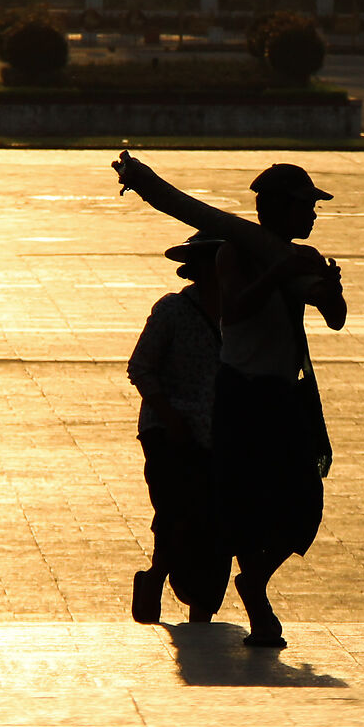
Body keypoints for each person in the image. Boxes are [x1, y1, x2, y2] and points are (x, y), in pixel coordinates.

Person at [112, 154, 345, 647]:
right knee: (223, 510)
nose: (313, 214)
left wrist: (329, 288)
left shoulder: (296, 259)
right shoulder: (235, 257)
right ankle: (234, 597)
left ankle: (254, 579)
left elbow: (335, 317)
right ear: (278, 209)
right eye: (305, 205)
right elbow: (236, 312)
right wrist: (280, 272)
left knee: (303, 504)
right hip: (239, 400)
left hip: (284, 396)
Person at [127, 235, 229, 624]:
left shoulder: (241, 312)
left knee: (216, 523)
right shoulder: (172, 310)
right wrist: (171, 418)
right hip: (170, 433)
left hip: (219, 436)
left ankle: (201, 608)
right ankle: (158, 576)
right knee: (176, 513)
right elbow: (141, 368)